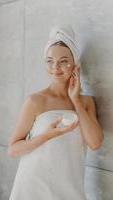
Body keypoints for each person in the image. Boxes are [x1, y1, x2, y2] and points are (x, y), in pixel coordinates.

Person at [7, 25, 104, 200]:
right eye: (50, 61)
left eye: (64, 61)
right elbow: (13, 150)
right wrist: (46, 135)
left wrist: (75, 100)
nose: (55, 67)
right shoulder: (35, 101)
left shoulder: (85, 102)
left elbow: (95, 143)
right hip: (33, 185)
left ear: (75, 65)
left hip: (70, 186)